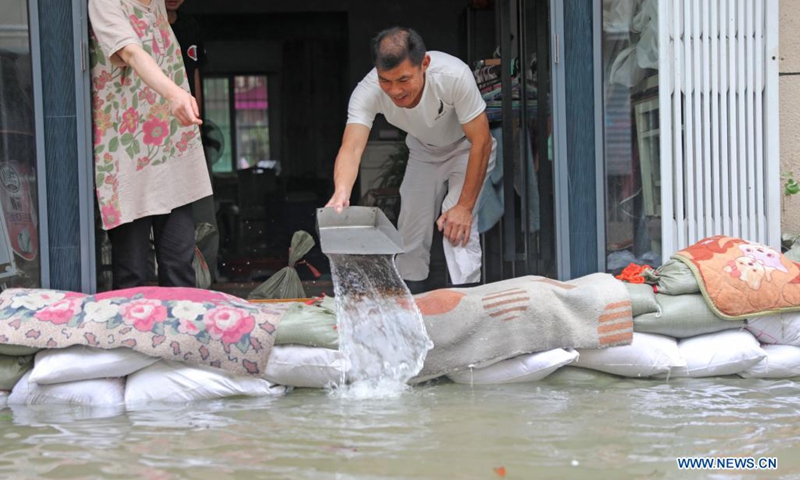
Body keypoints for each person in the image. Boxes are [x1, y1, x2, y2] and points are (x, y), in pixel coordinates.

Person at [326, 27, 496, 292]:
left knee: (456, 223)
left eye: (403, 79)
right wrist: (341, 192)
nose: (395, 91)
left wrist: (464, 205)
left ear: (424, 64)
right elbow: (352, 148)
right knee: (410, 229)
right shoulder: (368, 91)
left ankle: (466, 300)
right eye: (386, 80)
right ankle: (414, 301)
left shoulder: (453, 75)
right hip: (423, 152)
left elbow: (482, 141)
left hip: (466, 148)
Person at [88, 0, 212, 289]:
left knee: (179, 263)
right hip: (127, 152)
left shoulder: (157, 5)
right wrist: (174, 94)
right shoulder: (104, 3)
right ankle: (134, 335)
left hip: (171, 148)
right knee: (132, 270)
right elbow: (130, 52)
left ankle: (180, 334)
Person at [166, 0, 220, 284]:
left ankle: (205, 279)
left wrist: (196, 125)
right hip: (153, 133)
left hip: (188, 128)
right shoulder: (144, 23)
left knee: (201, 212)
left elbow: (195, 74)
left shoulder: (189, 26)